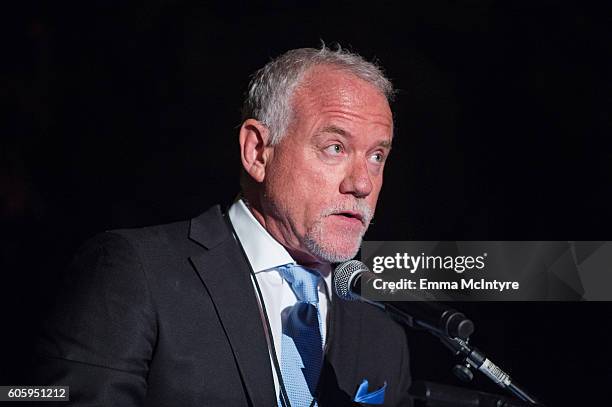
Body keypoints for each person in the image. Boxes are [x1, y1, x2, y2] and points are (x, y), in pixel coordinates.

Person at [36, 45, 412, 407]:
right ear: (257, 151)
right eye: (335, 147)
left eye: (377, 156)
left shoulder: (383, 333)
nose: (363, 183)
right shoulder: (136, 272)